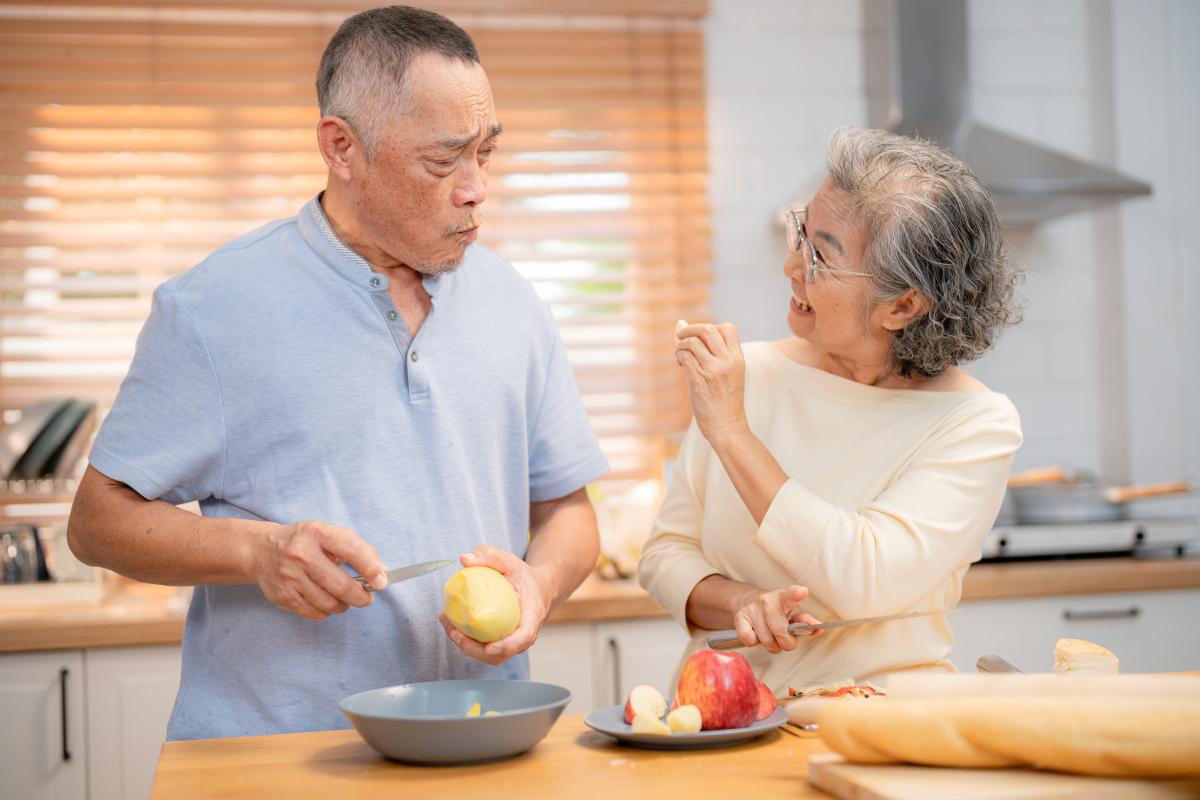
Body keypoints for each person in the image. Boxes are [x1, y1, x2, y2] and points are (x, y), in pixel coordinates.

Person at [67, 6, 608, 740]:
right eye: (444, 162)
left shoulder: (515, 304)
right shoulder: (213, 309)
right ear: (341, 147)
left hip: (481, 742)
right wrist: (257, 552)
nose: (476, 187)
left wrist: (540, 585)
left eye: (486, 153)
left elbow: (569, 509)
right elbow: (96, 523)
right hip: (277, 760)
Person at [639, 126, 1023, 696]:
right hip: (720, 720)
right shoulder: (747, 374)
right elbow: (665, 553)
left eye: (821, 255)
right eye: (801, 233)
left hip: (881, 722)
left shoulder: (975, 424)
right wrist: (740, 601)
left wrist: (733, 434)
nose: (792, 266)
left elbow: (863, 578)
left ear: (902, 305)